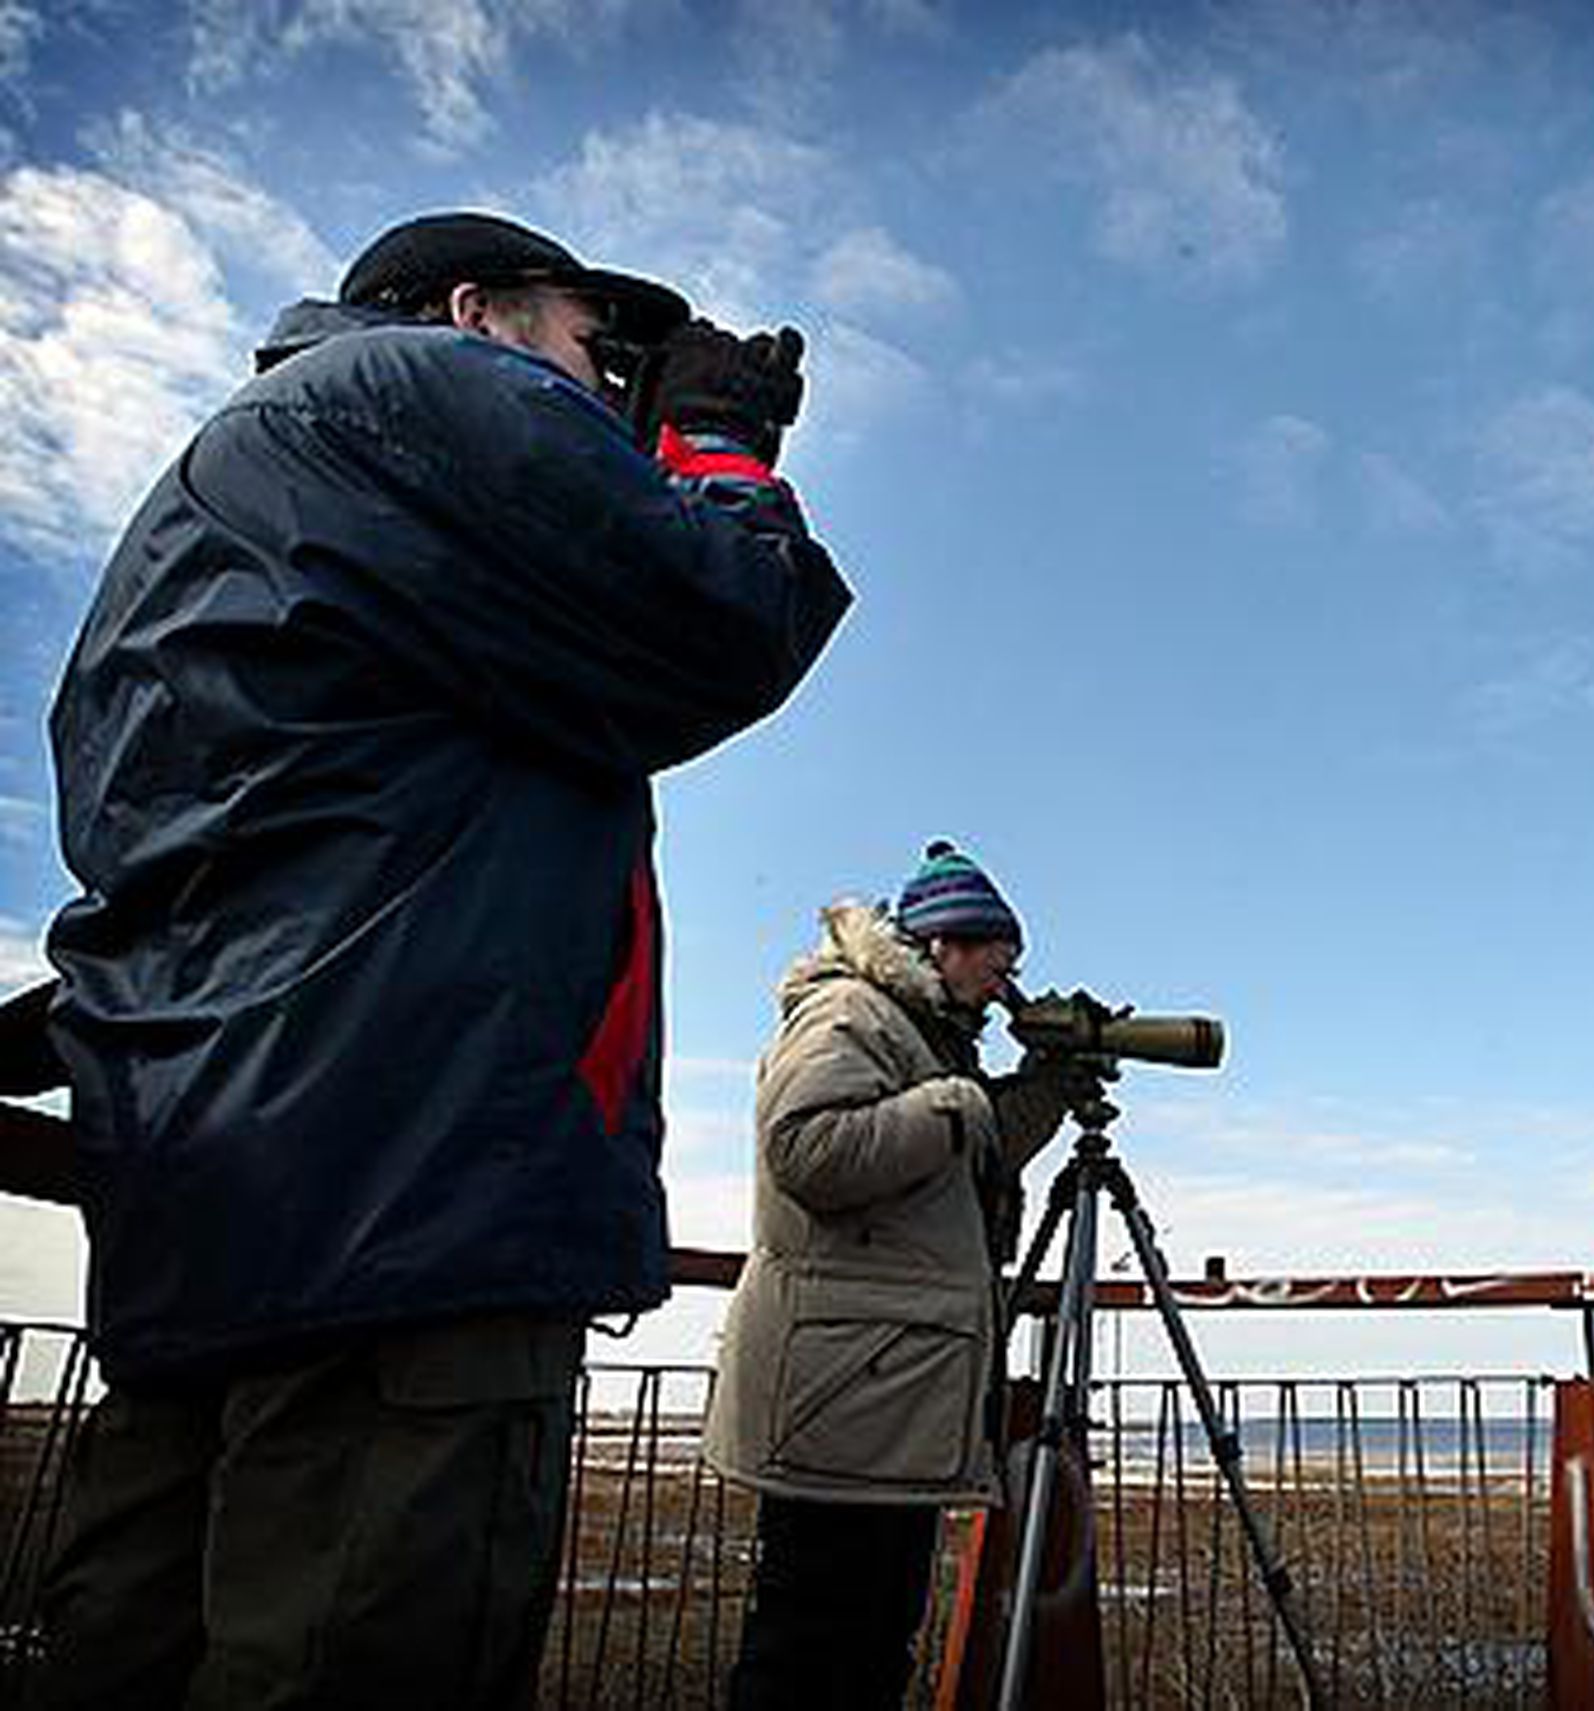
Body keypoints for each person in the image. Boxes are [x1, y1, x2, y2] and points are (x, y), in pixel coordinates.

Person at [34, 210, 852, 1708]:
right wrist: (719, 438)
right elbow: (725, 619)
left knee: (130, 1655)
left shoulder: (208, 501)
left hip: (209, 1200)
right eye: (589, 343)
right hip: (406, 1197)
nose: (603, 383)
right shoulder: (423, 385)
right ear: (477, 310)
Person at [703, 840, 1099, 1708]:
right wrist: (955, 1102)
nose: (1007, 972)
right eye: (998, 949)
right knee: (807, 1644)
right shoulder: (849, 1013)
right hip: (840, 1393)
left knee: (875, 1639)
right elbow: (809, 1149)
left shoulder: (926, 1038)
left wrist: (1046, 1086)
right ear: (941, 944)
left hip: (886, 1386)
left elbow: (966, 1156)